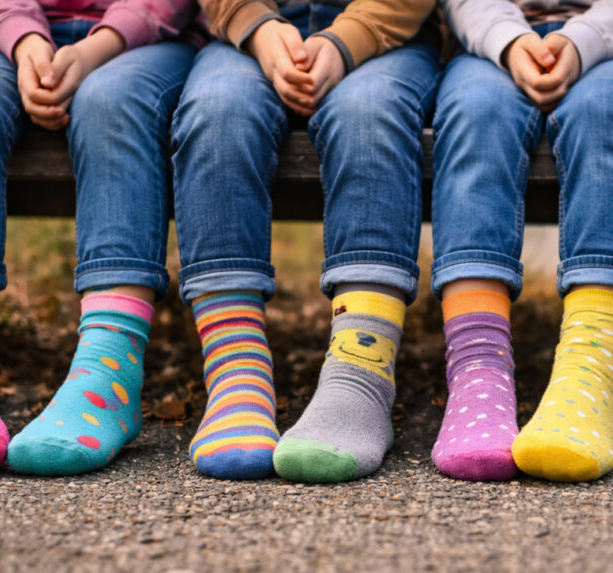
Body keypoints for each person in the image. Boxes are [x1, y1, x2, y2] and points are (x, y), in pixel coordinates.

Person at [173, 0, 441, 481]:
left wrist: (346, 39)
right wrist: (254, 24)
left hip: (386, 31)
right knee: (217, 115)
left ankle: (361, 373)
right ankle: (236, 372)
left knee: (368, 115)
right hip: (247, 34)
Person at [0, 0, 201, 476]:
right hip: (11, 37)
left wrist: (97, 47)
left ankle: (108, 369)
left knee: (113, 100)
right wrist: (25, 40)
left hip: (147, 40)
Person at [429, 0, 613, 481]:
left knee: (606, 111)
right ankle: (477, 370)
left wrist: (581, 41)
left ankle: (592, 368)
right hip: (491, 44)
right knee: (476, 112)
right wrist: (510, 39)